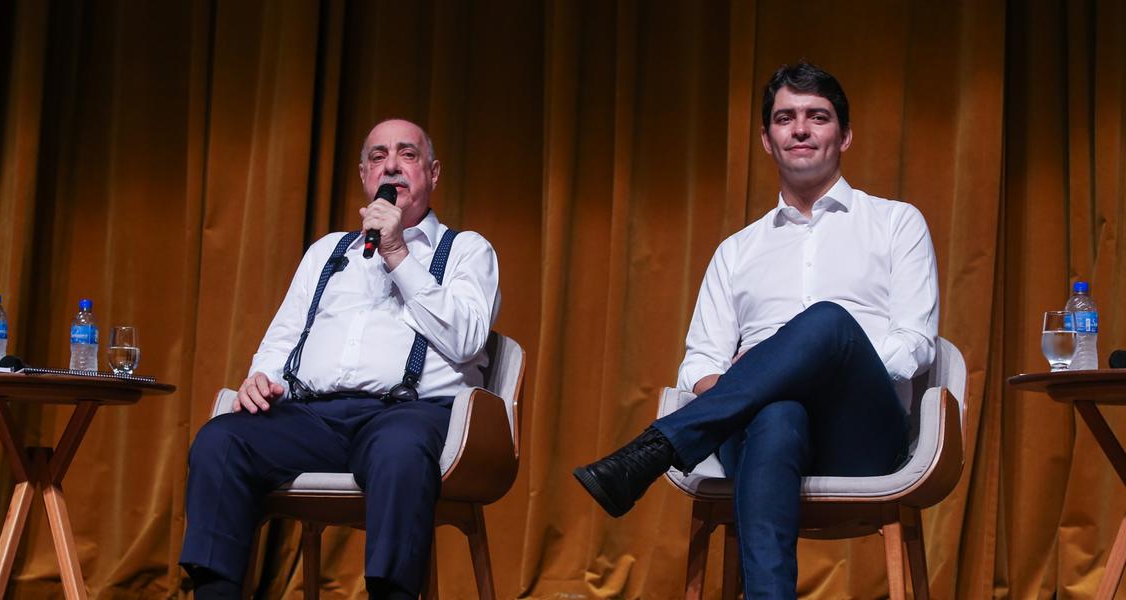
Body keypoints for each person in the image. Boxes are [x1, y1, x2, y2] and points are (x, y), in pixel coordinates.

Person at [573, 61, 938, 598]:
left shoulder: (896, 222)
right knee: (777, 410)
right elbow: (699, 362)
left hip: (861, 434)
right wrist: (770, 382)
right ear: (768, 140)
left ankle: (655, 449)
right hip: (763, 435)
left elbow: (917, 343)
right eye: (785, 118)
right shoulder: (737, 251)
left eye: (818, 116)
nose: (801, 128)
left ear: (845, 134)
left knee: (827, 323)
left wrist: (806, 363)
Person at [180, 119, 500, 600]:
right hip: (314, 418)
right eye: (377, 156)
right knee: (220, 441)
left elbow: (469, 340)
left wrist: (396, 252)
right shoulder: (327, 252)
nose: (391, 164)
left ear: (432, 173)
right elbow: (283, 336)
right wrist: (260, 377)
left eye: (406, 154)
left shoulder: (467, 251)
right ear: (364, 176)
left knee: (400, 452)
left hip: (409, 417)